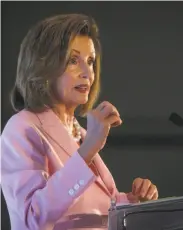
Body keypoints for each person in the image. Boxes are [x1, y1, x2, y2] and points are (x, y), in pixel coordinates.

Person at [1, 14, 158, 230]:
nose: (87, 73)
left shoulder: (80, 133)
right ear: (43, 66)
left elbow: (96, 209)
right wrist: (87, 151)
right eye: (73, 60)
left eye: (90, 61)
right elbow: (32, 218)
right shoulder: (21, 128)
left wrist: (133, 202)